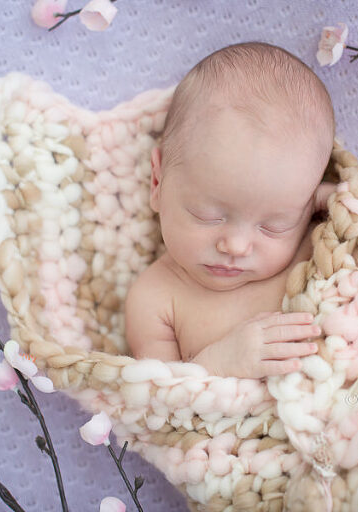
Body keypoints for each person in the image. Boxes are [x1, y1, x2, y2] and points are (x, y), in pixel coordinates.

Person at [124, 41, 338, 379]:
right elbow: (158, 407)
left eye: (273, 226)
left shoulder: (314, 239)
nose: (236, 247)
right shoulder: (154, 301)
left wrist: (340, 203)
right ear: (157, 182)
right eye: (207, 215)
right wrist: (219, 364)